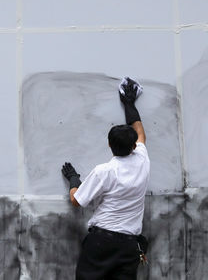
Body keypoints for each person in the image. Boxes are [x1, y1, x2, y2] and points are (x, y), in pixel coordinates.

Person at [61, 77, 150, 280]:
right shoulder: (143, 161)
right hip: (129, 246)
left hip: (101, 244)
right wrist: (129, 104)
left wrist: (74, 180)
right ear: (134, 146)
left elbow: (77, 200)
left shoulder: (105, 171)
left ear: (109, 145)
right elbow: (140, 133)